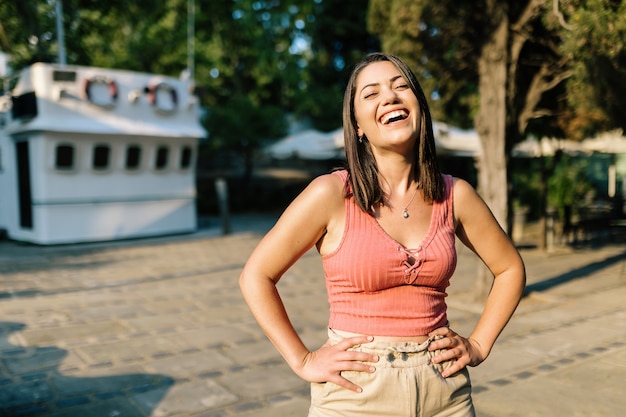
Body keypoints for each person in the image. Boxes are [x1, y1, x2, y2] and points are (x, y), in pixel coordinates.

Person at [239, 52, 526, 417]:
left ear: (418, 107)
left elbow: (510, 269)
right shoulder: (330, 194)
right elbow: (256, 276)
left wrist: (480, 344)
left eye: (401, 86)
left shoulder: (456, 195)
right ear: (357, 124)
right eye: (371, 93)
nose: (389, 97)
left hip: (445, 395)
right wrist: (303, 359)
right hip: (355, 396)